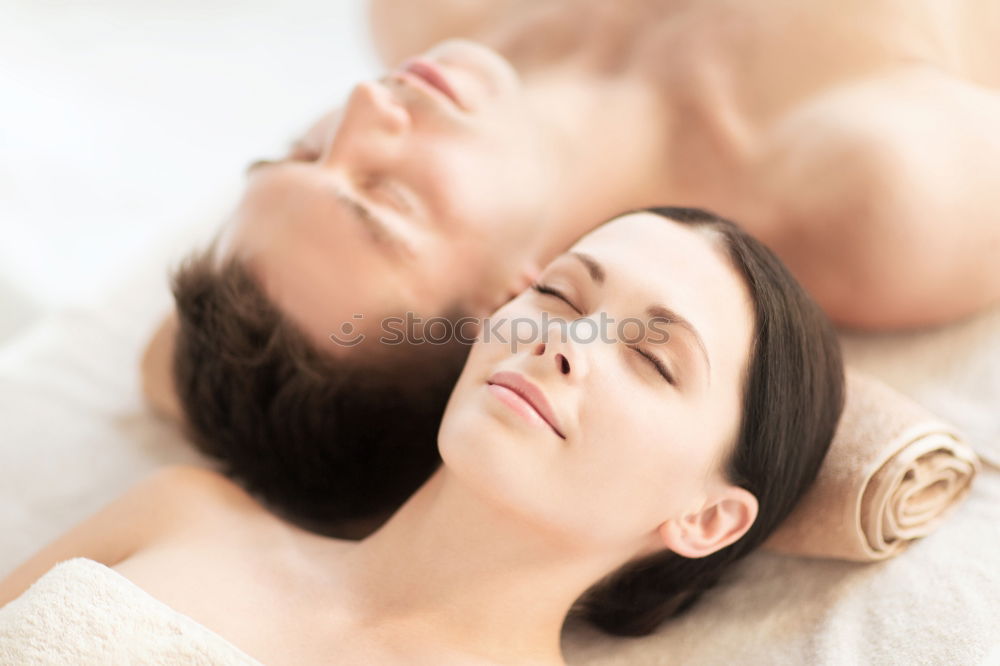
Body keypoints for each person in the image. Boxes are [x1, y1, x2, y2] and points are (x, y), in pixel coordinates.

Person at [140, 0, 998, 520]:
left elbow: (165, 367)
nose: (369, 103)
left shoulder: (424, 17)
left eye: (302, 149)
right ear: (512, 309)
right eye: (387, 197)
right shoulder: (872, 196)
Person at [1, 209, 845, 664]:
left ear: (707, 519)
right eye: (560, 295)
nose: (565, 342)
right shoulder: (182, 515)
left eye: (652, 358)